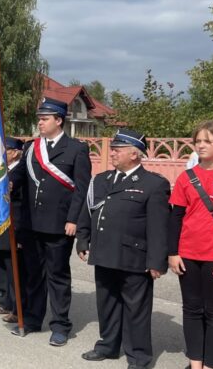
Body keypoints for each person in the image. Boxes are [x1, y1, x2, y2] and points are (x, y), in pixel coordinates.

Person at [76, 129, 170, 369]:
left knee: (136, 310)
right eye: (114, 148)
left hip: (133, 257)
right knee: (106, 303)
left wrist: (157, 261)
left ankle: (138, 357)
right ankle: (108, 346)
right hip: (104, 252)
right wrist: (83, 238)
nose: (113, 152)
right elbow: (89, 211)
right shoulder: (102, 179)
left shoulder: (153, 184)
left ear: (135, 154)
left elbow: (159, 227)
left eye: (118, 149)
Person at [13, 97, 91, 345]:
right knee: (34, 274)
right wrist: (9, 181)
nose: (40, 123)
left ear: (59, 120)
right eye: (39, 118)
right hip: (32, 223)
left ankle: (60, 325)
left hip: (59, 224)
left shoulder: (76, 149)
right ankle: (34, 319)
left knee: (57, 276)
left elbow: (81, 189)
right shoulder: (31, 148)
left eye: (44, 119)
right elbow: (21, 174)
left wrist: (74, 220)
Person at [168, 120, 213, 369]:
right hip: (187, 254)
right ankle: (195, 363)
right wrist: (173, 252)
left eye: (208, 141)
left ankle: (211, 365)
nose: (201, 145)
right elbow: (176, 217)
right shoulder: (187, 178)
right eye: (198, 141)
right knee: (191, 310)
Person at [0, 137, 31, 323]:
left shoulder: (20, 173)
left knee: (13, 268)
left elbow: (21, 204)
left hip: (13, 224)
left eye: (5, 150)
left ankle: (16, 306)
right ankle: (4, 300)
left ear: (14, 153)